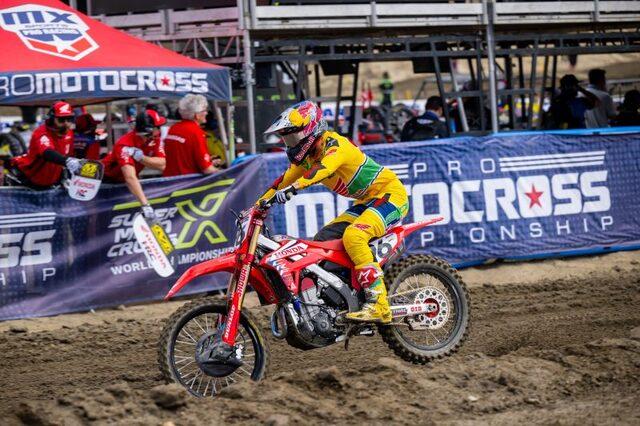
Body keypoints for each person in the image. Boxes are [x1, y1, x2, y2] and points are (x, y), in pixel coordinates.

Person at [257, 101, 409, 323]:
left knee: (354, 236)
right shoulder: (308, 158)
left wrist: (295, 188)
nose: (290, 144)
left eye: (293, 137)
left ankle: (379, 304)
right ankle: (345, 295)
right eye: (286, 140)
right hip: (367, 202)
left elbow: (323, 169)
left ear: (311, 130)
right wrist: (256, 207)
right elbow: (281, 182)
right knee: (323, 240)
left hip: (391, 196)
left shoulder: (336, 145)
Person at [102, 109, 167, 222]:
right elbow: (130, 177)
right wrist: (145, 205)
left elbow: (163, 164)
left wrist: (142, 158)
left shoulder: (155, 139)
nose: (160, 130)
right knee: (104, 219)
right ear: (149, 130)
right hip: (106, 182)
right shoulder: (125, 145)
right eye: (158, 127)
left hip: (124, 184)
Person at [5, 101, 81, 189]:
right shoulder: (42, 132)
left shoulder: (69, 133)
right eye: (61, 120)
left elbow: (66, 156)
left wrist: (64, 177)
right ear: (52, 119)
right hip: (27, 179)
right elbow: (47, 152)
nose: (66, 123)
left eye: (69, 119)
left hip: (50, 182)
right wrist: (67, 161)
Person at [163, 94, 217, 177]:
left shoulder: (173, 128)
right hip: (189, 182)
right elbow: (207, 169)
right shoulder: (196, 132)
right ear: (197, 115)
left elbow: (182, 157)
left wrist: (209, 161)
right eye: (204, 110)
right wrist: (224, 173)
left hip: (170, 180)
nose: (206, 113)